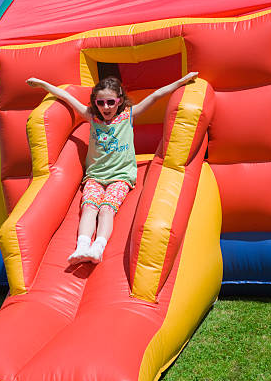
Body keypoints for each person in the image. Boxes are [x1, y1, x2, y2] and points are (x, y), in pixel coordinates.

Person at [26, 72, 198, 265]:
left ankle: (98, 247)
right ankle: (82, 246)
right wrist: (43, 83)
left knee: (107, 208)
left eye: (110, 102)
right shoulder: (91, 116)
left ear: (119, 100)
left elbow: (156, 95)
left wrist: (182, 81)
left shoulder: (127, 115)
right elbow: (66, 96)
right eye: (100, 103)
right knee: (89, 207)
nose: (105, 107)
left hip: (120, 176)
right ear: (95, 103)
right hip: (95, 176)